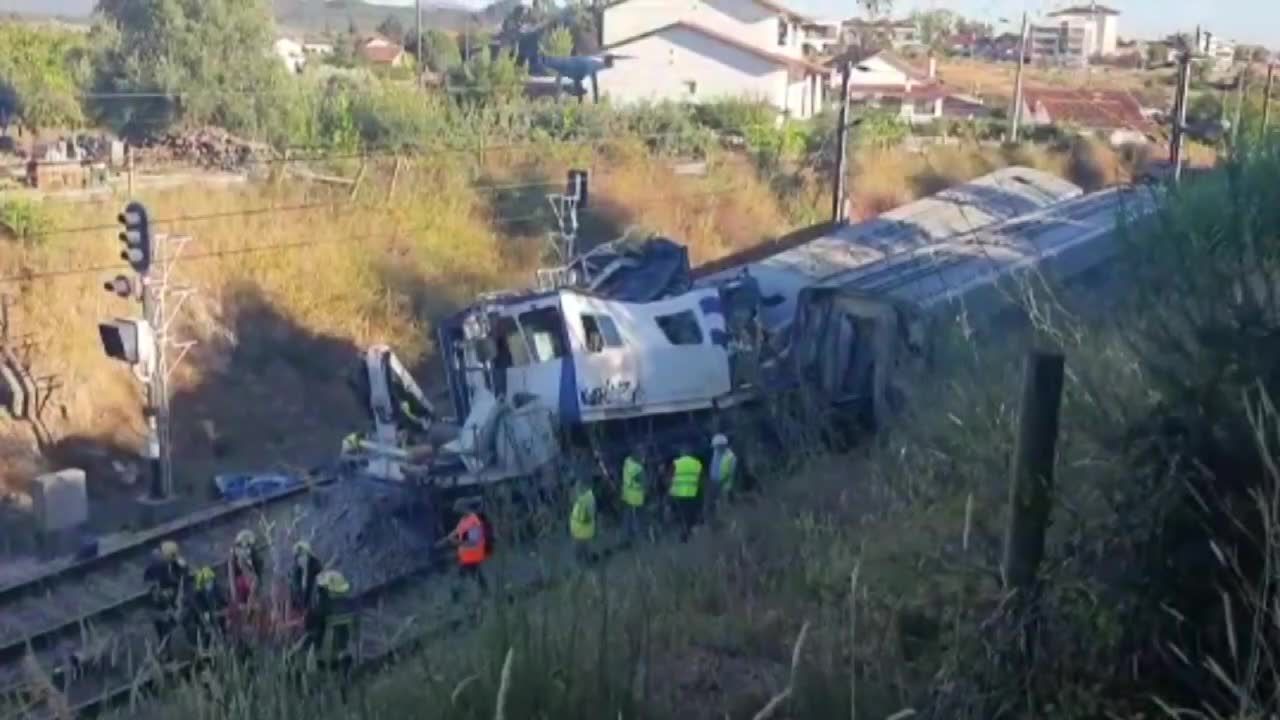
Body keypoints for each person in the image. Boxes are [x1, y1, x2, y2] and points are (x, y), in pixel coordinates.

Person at [305, 570, 357, 683]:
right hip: (344, 651)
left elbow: (310, 627)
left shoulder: (321, 609)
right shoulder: (348, 606)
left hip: (324, 656)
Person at [143, 540, 189, 654]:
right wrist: (169, 608)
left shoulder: (177, 563)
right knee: (163, 628)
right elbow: (155, 592)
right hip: (159, 605)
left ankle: (168, 647)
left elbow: (183, 580)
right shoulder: (155, 568)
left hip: (171, 596)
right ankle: (165, 650)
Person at [439, 500, 489, 598]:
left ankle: (456, 596)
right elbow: (457, 531)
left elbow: (474, 542)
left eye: (458, 511)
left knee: (462, 575)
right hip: (467, 554)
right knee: (475, 574)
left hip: (472, 554)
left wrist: (455, 542)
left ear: (463, 509)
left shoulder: (473, 521)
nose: (456, 513)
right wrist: (444, 540)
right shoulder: (464, 520)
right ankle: (485, 591)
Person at [185, 565, 227, 652]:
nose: (210, 582)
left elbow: (221, 600)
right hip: (202, 618)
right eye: (207, 581)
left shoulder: (215, 589)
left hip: (214, 615)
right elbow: (200, 610)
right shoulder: (197, 595)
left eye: (211, 580)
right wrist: (206, 619)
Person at [668, 445, 703, 542]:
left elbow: (670, 477)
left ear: (682, 454)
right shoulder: (697, 463)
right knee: (691, 513)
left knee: (683, 514)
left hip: (680, 493)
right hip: (693, 492)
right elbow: (700, 478)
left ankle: (685, 534)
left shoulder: (676, 463)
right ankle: (692, 530)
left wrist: (671, 491)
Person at [708, 433, 738, 521]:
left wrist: (721, 482)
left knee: (727, 507)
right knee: (718, 506)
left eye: (718, 446)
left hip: (726, 486)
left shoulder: (730, 456)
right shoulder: (716, 455)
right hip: (717, 484)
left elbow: (731, 472)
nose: (716, 449)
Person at [620, 447, 647, 544]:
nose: (644, 456)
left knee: (627, 517)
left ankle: (626, 537)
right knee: (638, 517)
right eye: (642, 454)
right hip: (635, 497)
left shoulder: (627, 461)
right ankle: (638, 537)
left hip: (626, 495)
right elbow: (644, 482)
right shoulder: (637, 468)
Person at [230, 529, 263, 606]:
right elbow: (232, 574)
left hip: (249, 581)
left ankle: (251, 600)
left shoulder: (252, 554)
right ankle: (250, 601)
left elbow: (256, 567)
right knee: (255, 580)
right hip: (242, 581)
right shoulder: (235, 556)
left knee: (255, 581)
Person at [290, 541, 324, 615]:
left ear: (308, 555)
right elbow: (294, 593)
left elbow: (317, 593)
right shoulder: (295, 572)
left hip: (316, 611)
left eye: (303, 555)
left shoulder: (316, 568)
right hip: (299, 612)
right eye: (298, 556)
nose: (301, 558)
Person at [569, 480, 597, 567]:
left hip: (575, 526)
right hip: (585, 528)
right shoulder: (589, 498)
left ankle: (578, 559)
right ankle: (586, 561)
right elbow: (591, 514)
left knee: (579, 545)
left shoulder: (576, 496)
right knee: (585, 546)